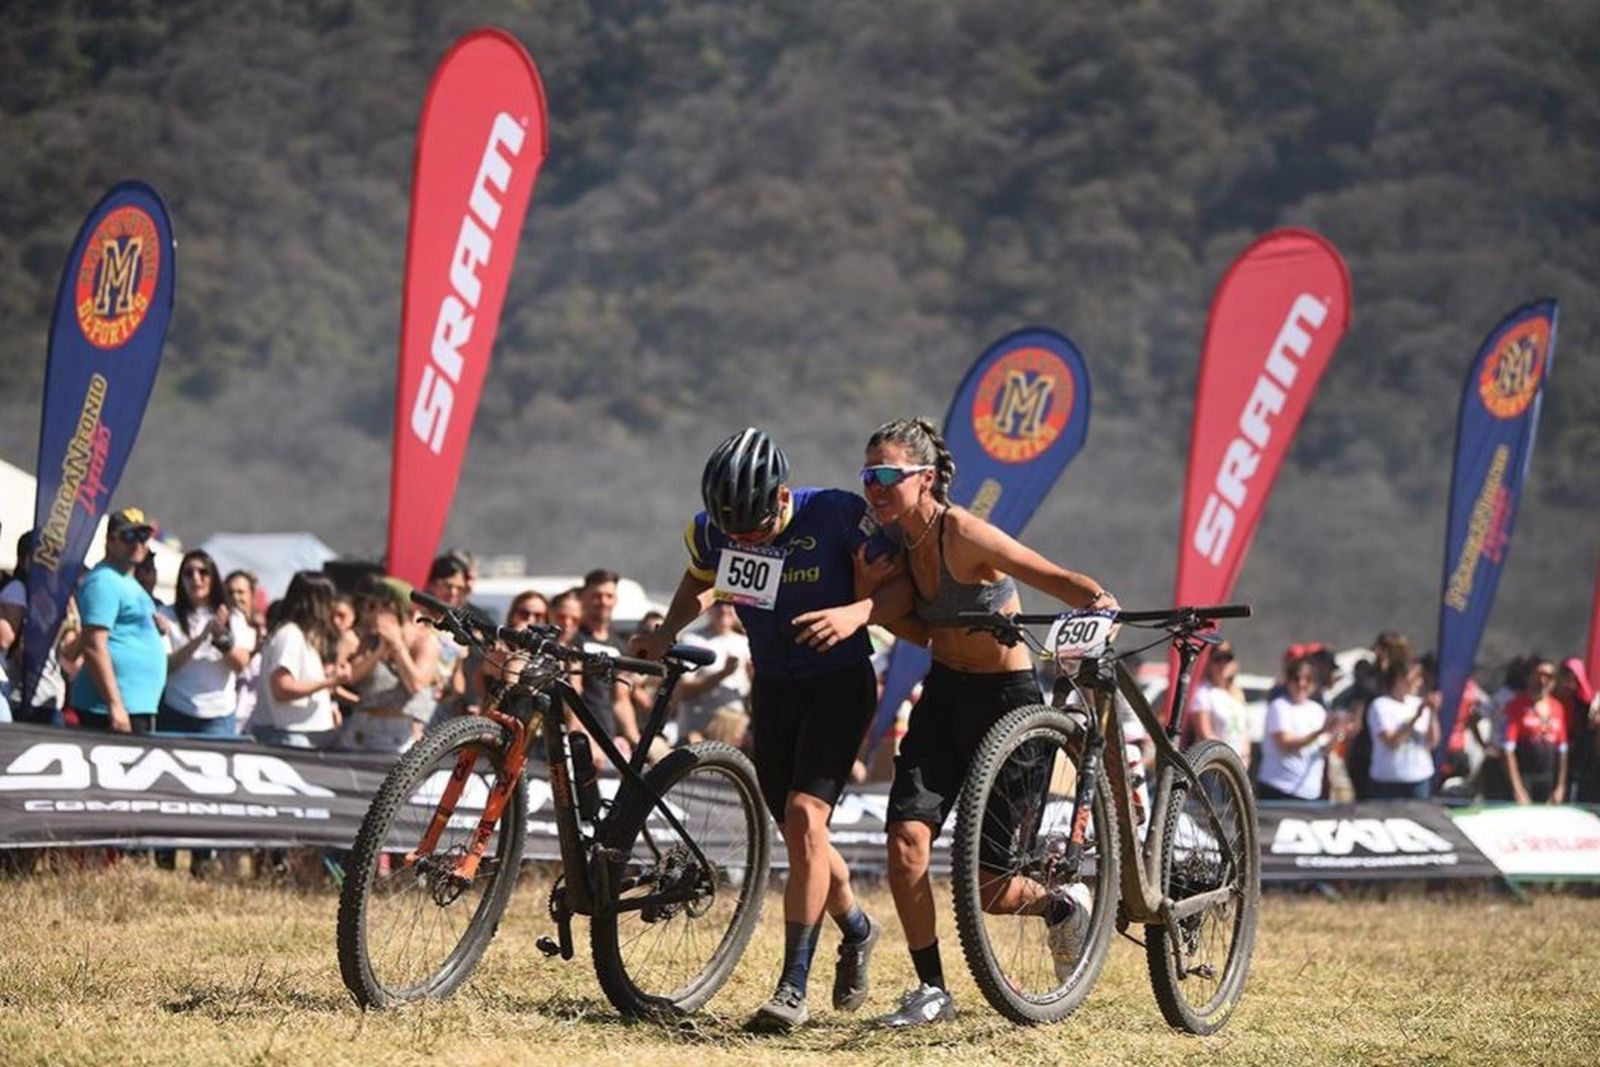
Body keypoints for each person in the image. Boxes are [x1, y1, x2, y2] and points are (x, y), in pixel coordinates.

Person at [630, 428, 901, 1033]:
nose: (746, 541)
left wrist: (859, 607)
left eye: (755, 529)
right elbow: (702, 580)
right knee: (803, 835)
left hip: (839, 684)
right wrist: (667, 631)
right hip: (774, 688)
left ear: (781, 496)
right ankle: (858, 928)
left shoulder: (836, 513)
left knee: (805, 819)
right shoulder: (714, 530)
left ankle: (792, 987)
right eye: (736, 534)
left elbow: (901, 585)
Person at [852, 417, 1118, 1028]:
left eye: (887, 475)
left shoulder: (964, 533)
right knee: (905, 843)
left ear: (925, 478)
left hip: (1008, 705)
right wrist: (871, 601)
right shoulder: (894, 544)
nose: (875, 487)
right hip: (945, 695)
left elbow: (1053, 577)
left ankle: (1060, 907)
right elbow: (925, 631)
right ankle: (931, 989)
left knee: (992, 889)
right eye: (868, 476)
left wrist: (1099, 604)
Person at [69, 508, 167, 733]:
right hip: (109, 709)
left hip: (137, 704)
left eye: (143, 536)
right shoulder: (103, 581)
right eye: (129, 536)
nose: (138, 544)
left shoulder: (128, 582)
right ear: (111, 541)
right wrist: (115, 703)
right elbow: (94, 645)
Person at [157, 549, 256, 736]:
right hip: (176, 710)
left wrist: (221, 638)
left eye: (203, 572)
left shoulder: (233, 616)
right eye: (189, 573)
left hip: (217, 717)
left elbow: (241, 664)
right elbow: (166, 666)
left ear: (213, 577)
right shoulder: (167, 615)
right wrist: (200, 639)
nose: (196, 578)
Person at [342, 577, 438, 752]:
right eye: (371, 606)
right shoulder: (370, 639)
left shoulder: (424, 642)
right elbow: (350, 677)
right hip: (360, 729)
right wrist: (379, 649)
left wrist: (397, 646)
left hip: (397, 733)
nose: (374, 613)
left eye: (382, 606)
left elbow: (416, 684)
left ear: (399, 609)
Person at [251, 571, 347, 748]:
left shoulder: (301, 636)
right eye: (328, 600)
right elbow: (282, 688)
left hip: (301, 733)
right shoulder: (290, 635)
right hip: (288, 735)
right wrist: (329, 682)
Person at [574, 568, 641, 757]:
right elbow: (572, 696)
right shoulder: (574, 639)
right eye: (597, 595)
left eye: (609, 596)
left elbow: (621, 699)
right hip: (580, 739)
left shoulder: (619, 645)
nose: (603, 602)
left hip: (610, 739)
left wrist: (636, 742)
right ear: (583, 598)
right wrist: (586, 736)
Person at [673, 600, 753, 745]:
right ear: (709, 608)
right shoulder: (692, 640)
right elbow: (683, 691)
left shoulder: (745, 642)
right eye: (718, 604)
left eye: (730, 604)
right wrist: (723, 674)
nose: (724, 609)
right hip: (698, 736)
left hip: (734, 735)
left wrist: (754, 676)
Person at [1256, 657, 1332, 801]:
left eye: (1308, 679)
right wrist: (1320, 731)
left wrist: (1338, 732)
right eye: (1296, 679)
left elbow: (1323, 750)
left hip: (1310, 792)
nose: (1301, 684)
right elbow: (1286, 744)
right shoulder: (1279, 706)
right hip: (1279, 789)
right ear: (1288, 681)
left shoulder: (1318, 710)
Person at [1365, 659, 1440, 799]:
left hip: (1418, 779)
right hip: (1388, 782)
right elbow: (1392, 742)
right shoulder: (1381, 705)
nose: (1419, 682)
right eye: (1415, 677)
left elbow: (1432, 742)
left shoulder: (1417, 703)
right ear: (1400, 679)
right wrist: (1415, 718)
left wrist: (1433, 713)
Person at [1502, 658, 1568, 804]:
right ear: (1530, 677)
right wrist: (1517, 788)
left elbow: (1562, 751)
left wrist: (1560, 786)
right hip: (1524, 777)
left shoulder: (1558, 708)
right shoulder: (1516, 706)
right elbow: (1508, 750)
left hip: (1548, 779)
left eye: (1549, 677)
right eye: (1539, 675)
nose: (1543, 681)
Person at [1188, 639, 1250, 766]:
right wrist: (1228, 758)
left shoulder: (1237, 692)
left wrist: (1245, 756)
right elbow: (1204, 734)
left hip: (1237, 766)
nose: (1223, 664)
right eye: (1217, 659)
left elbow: (1244, 730)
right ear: (1209, 662)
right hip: (1214, 765)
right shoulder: (1203, 692)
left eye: (1227, 658)